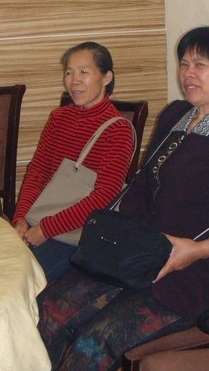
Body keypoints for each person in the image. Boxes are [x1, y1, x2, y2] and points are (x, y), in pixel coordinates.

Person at [38, 26, 209, 371]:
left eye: (200, 64)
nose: (188, 73)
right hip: (147, 254)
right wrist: (121, 241)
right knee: (51, 308)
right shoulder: (177, 115)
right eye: (184, 63)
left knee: (93, 342)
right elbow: (144, 184)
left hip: (204, 275)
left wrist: (201, 249)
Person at [12, 42, 135, 283]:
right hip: (41, 220)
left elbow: (106, 196)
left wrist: (47, 229)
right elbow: (37, 172)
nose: (74, 80)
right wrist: (21, 217)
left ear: (106, 77)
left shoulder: (118, 130)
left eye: (84, 72)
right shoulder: (59, 118)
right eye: (69, 72)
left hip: (76, 233)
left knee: (22, 281)